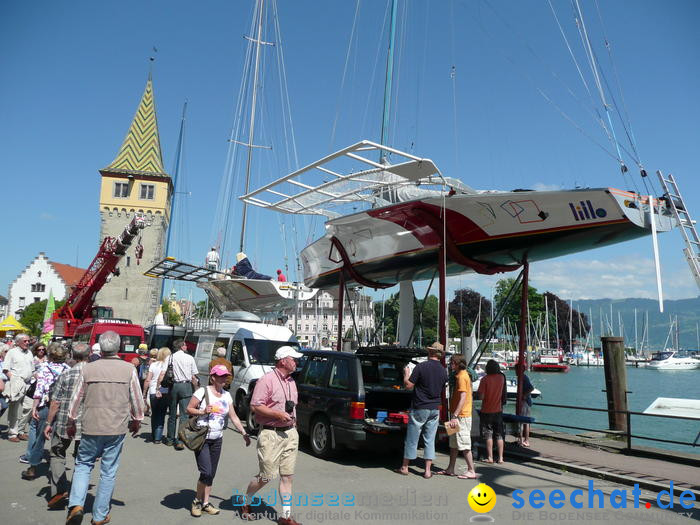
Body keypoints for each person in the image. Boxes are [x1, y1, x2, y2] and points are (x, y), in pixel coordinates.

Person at [64, 330, 145, 525]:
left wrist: (71, 421)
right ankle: (99, 516)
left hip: (91, 425)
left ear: (100, 347)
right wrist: (137, 419)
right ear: (118, 347)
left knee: (83, 465)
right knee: (108, 471)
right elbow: (137, 399)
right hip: (116, 427)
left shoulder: (88, 369)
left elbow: (76, 398)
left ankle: (76, 504)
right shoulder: (128, 369)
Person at [238, 346, 303, 525]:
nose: (296, 362)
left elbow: (292, 406)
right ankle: (246, 501)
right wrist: (277, 415)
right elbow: (255, 406)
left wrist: (293, 423)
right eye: (293, 359)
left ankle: (286, 516)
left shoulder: (291, 381)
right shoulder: (266, 380)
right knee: (266, 476)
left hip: (290, 433)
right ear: (283, 361)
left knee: (287, 477)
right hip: (271, 434)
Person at [187, 365, 251, 517]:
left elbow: (233, 416)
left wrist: (243, 432)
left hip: (217, 439)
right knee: (206, 471)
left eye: (226, 376)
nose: (224, 379)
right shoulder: (202, 391)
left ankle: (205, 503)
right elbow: (189, 409)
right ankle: (196, 501)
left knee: (211, 474)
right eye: (221, 376)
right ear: (213, 377)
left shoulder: (227, 395)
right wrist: (202, 411)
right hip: (202, 438)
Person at [43, 342, 89, 509]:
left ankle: (60, 489)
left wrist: (48, 423)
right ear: (88, 355)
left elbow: (55, 402)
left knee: (57, 453)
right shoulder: (94, 375)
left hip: (64, 422)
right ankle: (77, 495)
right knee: (82, 461)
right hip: (87, 424)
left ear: (72, 356)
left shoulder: (66, 375)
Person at [396, 341, 448, 479]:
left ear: (430, 352)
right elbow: (443, 390)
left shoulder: (421, 367)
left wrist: (406, 374)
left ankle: (405, 467)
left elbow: (409, 386)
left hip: (420, 407)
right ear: (440, 355)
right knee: (429, 440)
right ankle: (427, 471)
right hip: (435, 408)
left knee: (412, 438)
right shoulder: (443, 371)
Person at [21, 342, 70, 480]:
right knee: (57, 439)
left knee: (39, 438)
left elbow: (39, 389)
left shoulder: (44, 367)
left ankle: (33, 467)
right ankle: (58, 468)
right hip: (61, 407)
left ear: (50, 355)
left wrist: (35, 406)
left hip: (46, 406)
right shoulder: (68, 369)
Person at [437, 354, 476, 479]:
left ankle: (471, 470)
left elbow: (463, 397)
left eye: (452, 363)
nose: (450, 364)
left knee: (464, 443)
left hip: (461, 416)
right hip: (456, 414)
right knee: (453, 443)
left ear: (458, 364)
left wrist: (454, 415)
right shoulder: (458, 375)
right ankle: (450, 468)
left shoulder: (462, 376)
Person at [161, 338, 199, 450]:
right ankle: (180, 440)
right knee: (184, 415)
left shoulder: (170, 357)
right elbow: (194, 375)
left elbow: (164, 372)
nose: (186, 347)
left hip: (173, 386)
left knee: (172, 413)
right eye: (185, 345)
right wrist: (196, 388)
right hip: (186, 386)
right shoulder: (189, 358)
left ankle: (169, 438)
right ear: (182, 346)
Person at [3, 334, 35, 442]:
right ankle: (13, 433)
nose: (27, 343)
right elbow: (5, 369)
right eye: (25, 341)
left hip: (28, 383)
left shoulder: (29, 352)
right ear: (18, 342)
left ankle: (21, 430)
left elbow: (33, 369)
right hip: (17, 382)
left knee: (29, 407)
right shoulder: (12, 352)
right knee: (14, 409)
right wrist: (13, 379)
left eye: (28, 341)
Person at [477, 359, 507, 464]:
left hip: (486, 410)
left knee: (488, 434)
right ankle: (501, 458)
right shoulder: (501, 378)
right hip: (498, 410)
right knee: (499, 434)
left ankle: (490, 457)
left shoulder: (485, 379)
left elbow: (481, 397)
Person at [142, 347, 171, 443]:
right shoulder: (169, 366)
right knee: (161, 414)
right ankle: (158, 437)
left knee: (154, 413)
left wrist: (144, 392)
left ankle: (154, 434)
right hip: (165, 391)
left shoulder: (153, 365)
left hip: (153, 391)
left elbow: (147, 380)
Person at [518, 372, 534, 447]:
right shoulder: (523, 377)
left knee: (524, 422)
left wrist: (524, 395)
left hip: (525, 402)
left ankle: (525, 440)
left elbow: (531, 388)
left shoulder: (523, 377)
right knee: (524, 422)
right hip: (526, 402)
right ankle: (523, 440)